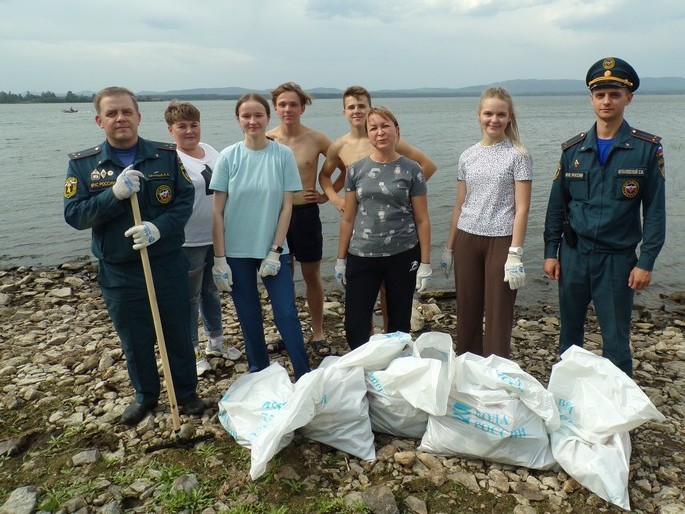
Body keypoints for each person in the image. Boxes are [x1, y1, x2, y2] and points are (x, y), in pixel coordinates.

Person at [63, 86, 205, 426]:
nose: (120, 118)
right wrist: (113, 195)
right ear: (100, 120)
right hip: (120, 270)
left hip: (166, 263)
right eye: (112, 113)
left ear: (138, 116)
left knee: (177, 331)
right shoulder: (83, 165)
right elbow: (76, 216)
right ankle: (146, 397)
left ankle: (185, 392)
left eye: (126, 111)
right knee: (135, 337)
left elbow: (184, 202)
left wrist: (158, 228)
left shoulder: (166, 156)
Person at [543, 57, 666, 377]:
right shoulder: (573, 151)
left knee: (615, 340)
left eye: (614, 94)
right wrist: (549, 253)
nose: (607, 100)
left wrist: (646, 261)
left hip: (617, 260)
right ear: (591, 99)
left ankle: (617, 413)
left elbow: (654, 210)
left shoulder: (646, 149)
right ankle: (568, 403)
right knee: (569, 336)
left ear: (628, 98)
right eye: (600, 94)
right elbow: (557, 206)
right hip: (573, 256)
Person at [319, 86, 437, 333]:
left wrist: (401, 195)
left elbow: (423, 218)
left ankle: (392, 355)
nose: (380, 132)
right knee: (355, 323)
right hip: (363, 250)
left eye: (361, 105)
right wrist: (340, 259)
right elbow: (346, 215)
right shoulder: (351, 163)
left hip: (403, 249)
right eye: (374, 128)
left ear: (396, 130)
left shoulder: (411, 168)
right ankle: (365, 357)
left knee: (398, 318)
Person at [210, 93, 311, 380]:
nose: (253, 121)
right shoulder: (229, 156)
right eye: (246, 116)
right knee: (248, 314)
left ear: (268, 118)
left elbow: (287, 206)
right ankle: (259, 371)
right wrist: (219, 259)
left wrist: (276, 250)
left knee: (286, 312)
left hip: (273, 250)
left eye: (258, 115)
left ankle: (303, 372)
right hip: (236, 251)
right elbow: (217, 212)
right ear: (238, 119)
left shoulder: (282, 155)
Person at [442, 87, 533, 358]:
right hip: (467, 238)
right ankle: (467, 365)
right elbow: (460, 204)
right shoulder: (467, 156)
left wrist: (515, 253)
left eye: (501, 114)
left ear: (509, 117)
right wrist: (449, 247)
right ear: (479, 115)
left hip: (501, 239)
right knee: (467, 308)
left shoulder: (518, 155)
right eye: (489, 113)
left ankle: (495, 372)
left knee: (498, 312)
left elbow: (523, 208)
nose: (494, 119)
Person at [164, 101, 241, 376]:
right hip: (188, 241)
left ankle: (216, 340)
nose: (189, 131)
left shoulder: (210, 151)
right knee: (189, 298)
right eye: (182, 126)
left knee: (212, 290)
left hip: (216, 237)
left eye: (193, 125)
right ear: (170, 130)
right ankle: (192, 348)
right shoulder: (170, 159)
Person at [266, 83, 340, 357]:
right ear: (275, 108)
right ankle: (286, 329)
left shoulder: (317, 138)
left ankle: (318, 332)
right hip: (275, 217)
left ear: (302, 107)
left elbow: (345, 166)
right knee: (282, 276)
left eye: (293, 104)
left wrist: (327, 194)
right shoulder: (267, 139)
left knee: (311, 275)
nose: (288, 109)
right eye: (282, 104)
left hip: (306, 214)